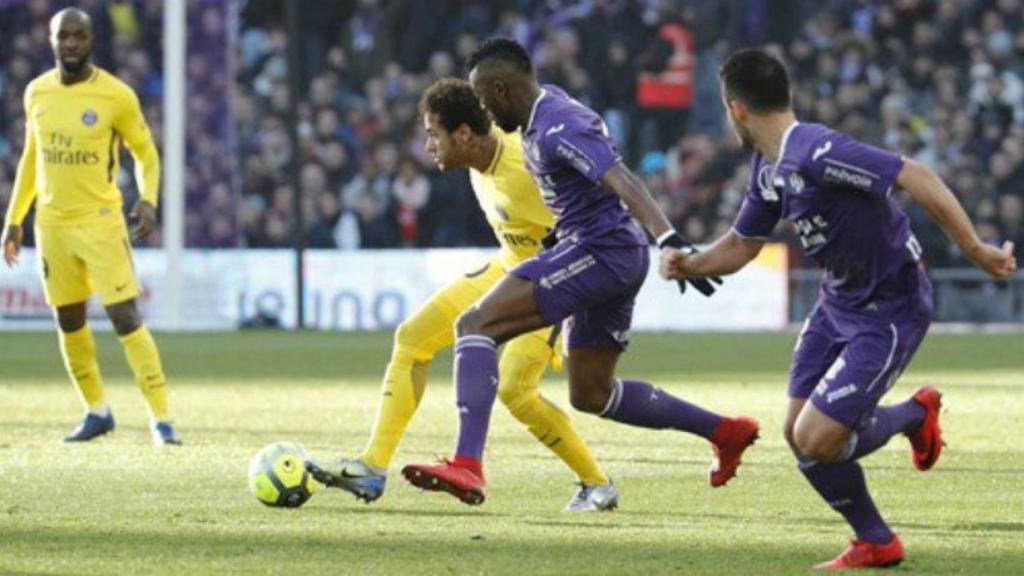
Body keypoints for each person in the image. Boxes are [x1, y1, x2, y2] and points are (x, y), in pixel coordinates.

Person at [662, 48, 1017, 569]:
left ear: (736, 108)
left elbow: (915, 175)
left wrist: (976, 249)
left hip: (891, 305)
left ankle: (912, 416)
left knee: (817, 438)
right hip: (838, 301)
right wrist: (690, 264)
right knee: (797, 435)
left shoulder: (816, 151)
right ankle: (876, 539)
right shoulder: (768, 167)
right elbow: (742, 244)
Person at [401, 38, 759, 505]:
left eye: (484, 99)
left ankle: (467, 464)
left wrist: (667, 237)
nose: (484, 112)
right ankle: (724, 431)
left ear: (502, 89)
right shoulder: (537, 119)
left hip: (601, 250)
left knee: (474, 325)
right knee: (591, 393)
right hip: (604, 251)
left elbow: (621, 178)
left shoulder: (556, 125)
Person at [306, 78, 618, 512]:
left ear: (464, 135)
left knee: (515, 391)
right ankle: (372, 468)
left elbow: (591, 214)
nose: (427, 145)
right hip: (509, 266)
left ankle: (597, 484)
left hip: (551, 281)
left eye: (433, 134)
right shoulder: (481, 157)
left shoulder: (525, 166)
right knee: (412, 337)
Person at [1, 9, 180, 446]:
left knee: (124, 316)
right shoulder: (37, 92)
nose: (72, 44)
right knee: (68, 318)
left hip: (100, 222)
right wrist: (13, 219)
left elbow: (146, 153)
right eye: (64, 36)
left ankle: (161, 420)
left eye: (79, 36)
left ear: (91, 40)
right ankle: (96, 411)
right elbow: (31, 158)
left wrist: (149, 200)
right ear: (51, 40)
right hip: (52, 224)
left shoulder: (116, 96)